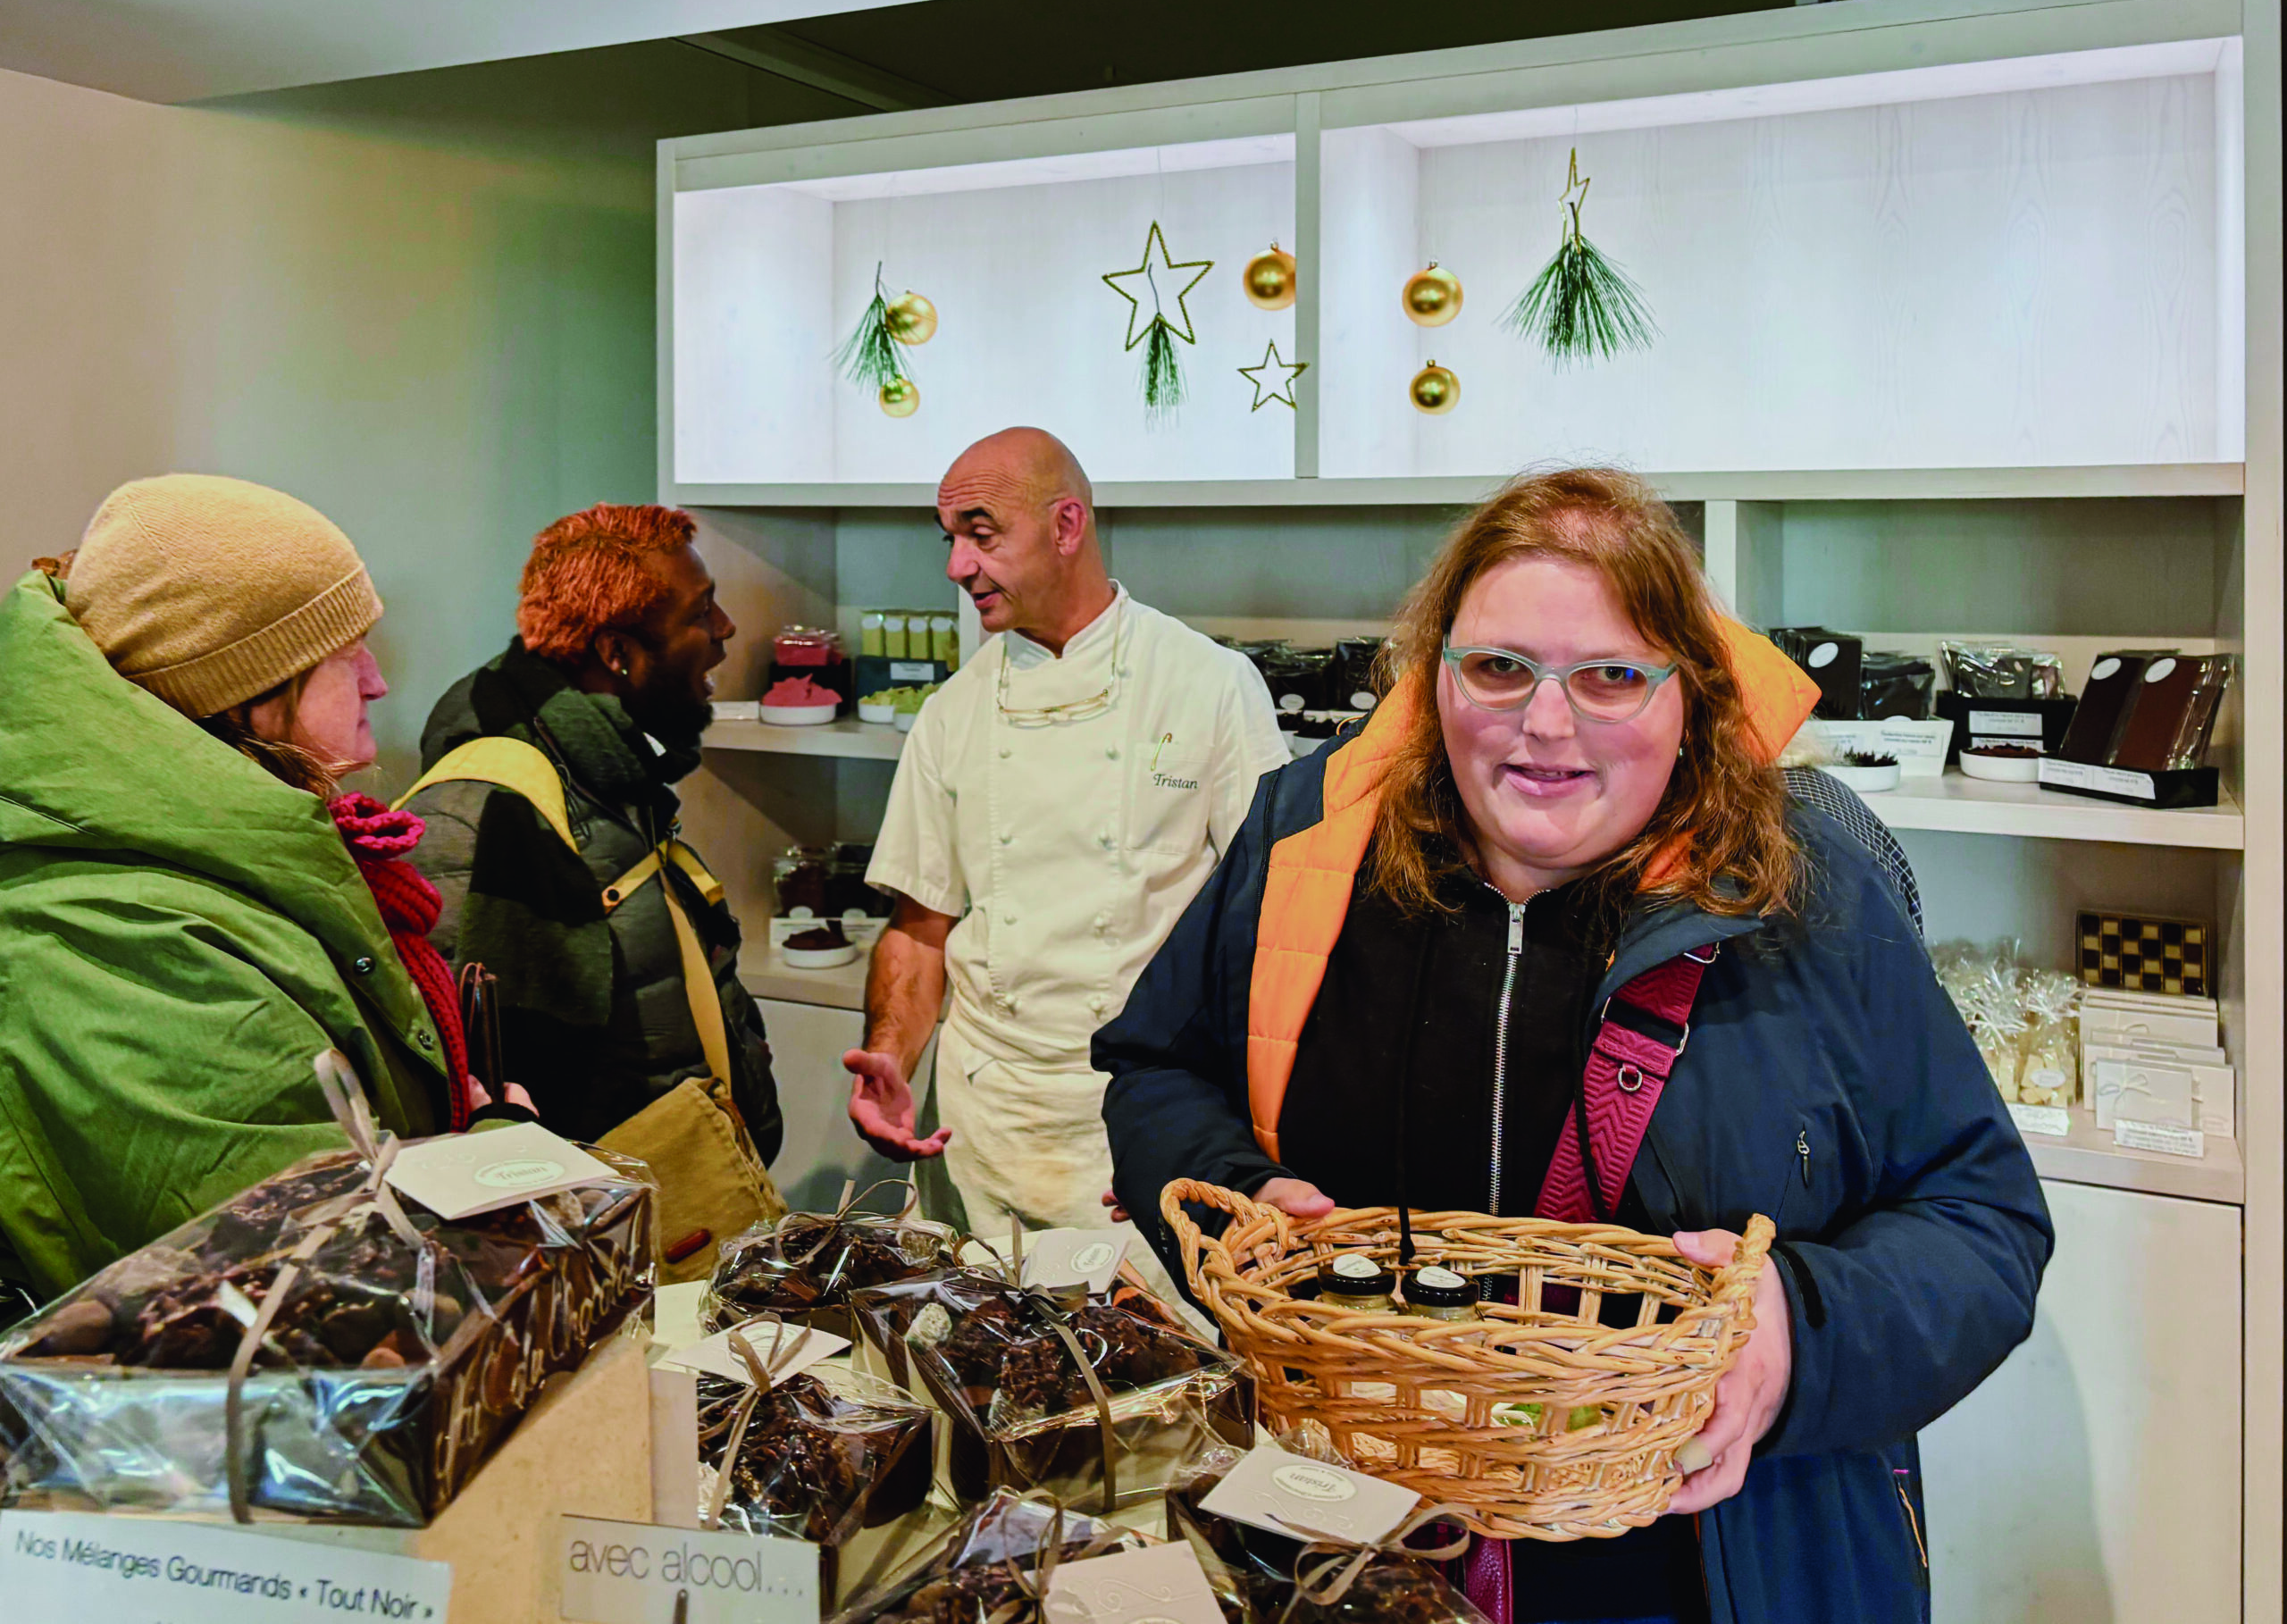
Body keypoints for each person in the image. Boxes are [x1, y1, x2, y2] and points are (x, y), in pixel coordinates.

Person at [1096, 468, 2052, 1624]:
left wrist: (1793, 1333)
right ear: (1434, 674)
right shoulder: (1305, 840)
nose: (1546, 725)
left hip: (1712, 1566)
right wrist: (1244, 1202)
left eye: (1610, 677)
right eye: (1499, 669)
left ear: (1687, 697)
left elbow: (1981, 1218)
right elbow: (1158, 1066)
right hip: (1344, 1548)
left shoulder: (1811, 898)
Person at [0, 474, 480, 1305]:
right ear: (248, 695)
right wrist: (501, 1157)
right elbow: (308, 1298)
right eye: (345, 653)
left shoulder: (229, 864)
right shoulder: (123, 943)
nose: (378, 682)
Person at [845, 427, 1286, 1270]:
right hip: (984, 1118)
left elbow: (1265, 928)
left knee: (1157, 1383)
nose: (957, 567)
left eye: (982, 534)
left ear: (1066, 524)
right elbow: (918, 925)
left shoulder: (1208, 685)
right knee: (976, 1374)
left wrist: (1223, 1136)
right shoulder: (952, 713)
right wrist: (891, 1058)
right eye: (951, 540)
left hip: (1136, 1118)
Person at [401, 503, 783, 1157]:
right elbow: (477, 1085)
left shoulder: (605, 774)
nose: (725, 628)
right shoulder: (485, 810)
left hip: (672, 1206)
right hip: (602, 1231)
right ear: (617, 653)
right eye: (699, 613)